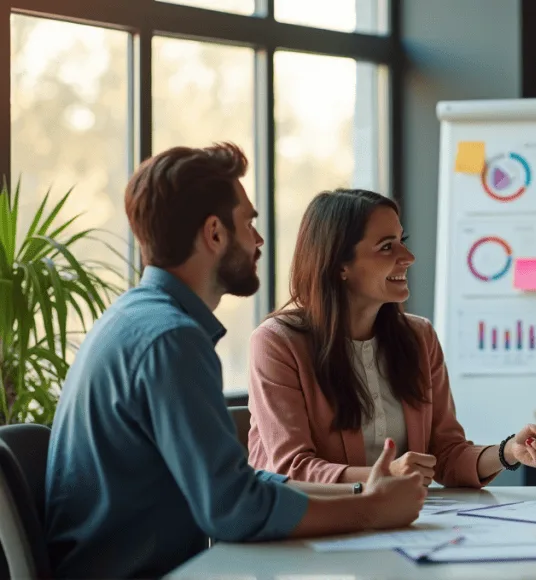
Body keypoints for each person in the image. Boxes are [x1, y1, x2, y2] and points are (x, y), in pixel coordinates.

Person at [45, 144, 426, 579]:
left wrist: (360, 494)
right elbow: (233, 510)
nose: (258, 240)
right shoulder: (172, 339)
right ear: (214, 233)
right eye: (248, 222)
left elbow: (236, 485)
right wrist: (370, 512)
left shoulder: (137, 318)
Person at [247, 188, 536, 487]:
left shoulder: (419, 338)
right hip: (310, 527)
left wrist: (508, 451)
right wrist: (387, 474)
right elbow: (290, 469)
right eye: (387, 247)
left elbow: (445, 454)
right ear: (340, 265)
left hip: (397, 525)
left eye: (401, 241)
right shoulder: (276, 343)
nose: (409, 257)